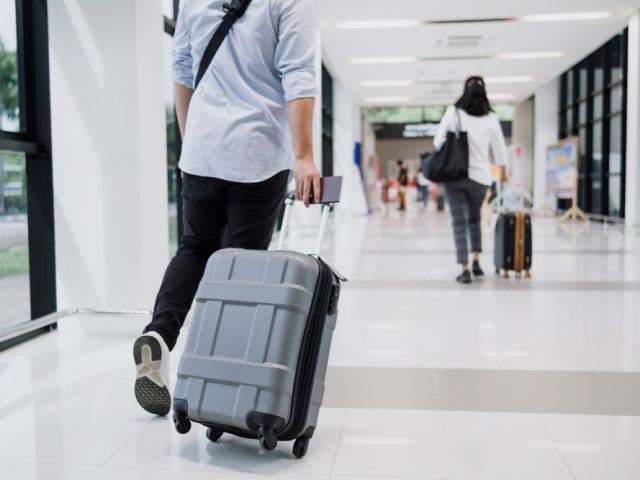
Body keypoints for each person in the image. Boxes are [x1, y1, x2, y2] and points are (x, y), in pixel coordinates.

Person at [133, 0, 321, 416]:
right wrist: (304, 154)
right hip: (256, 153)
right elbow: (299, 72)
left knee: (194, 248)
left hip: (202, 151)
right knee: (246, 267)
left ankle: (160, 336)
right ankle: (229, 375)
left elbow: (182, 67)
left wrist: (192, 140)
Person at [434, 76, 508, 284]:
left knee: (459, 222)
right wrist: (503, 171)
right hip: (480, 178)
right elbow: (500, 148)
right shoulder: (490, 117)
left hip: (455, 176)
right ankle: (476, 262)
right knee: (475, 219)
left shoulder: (454, 112)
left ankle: (464, 268)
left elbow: (438, 141)